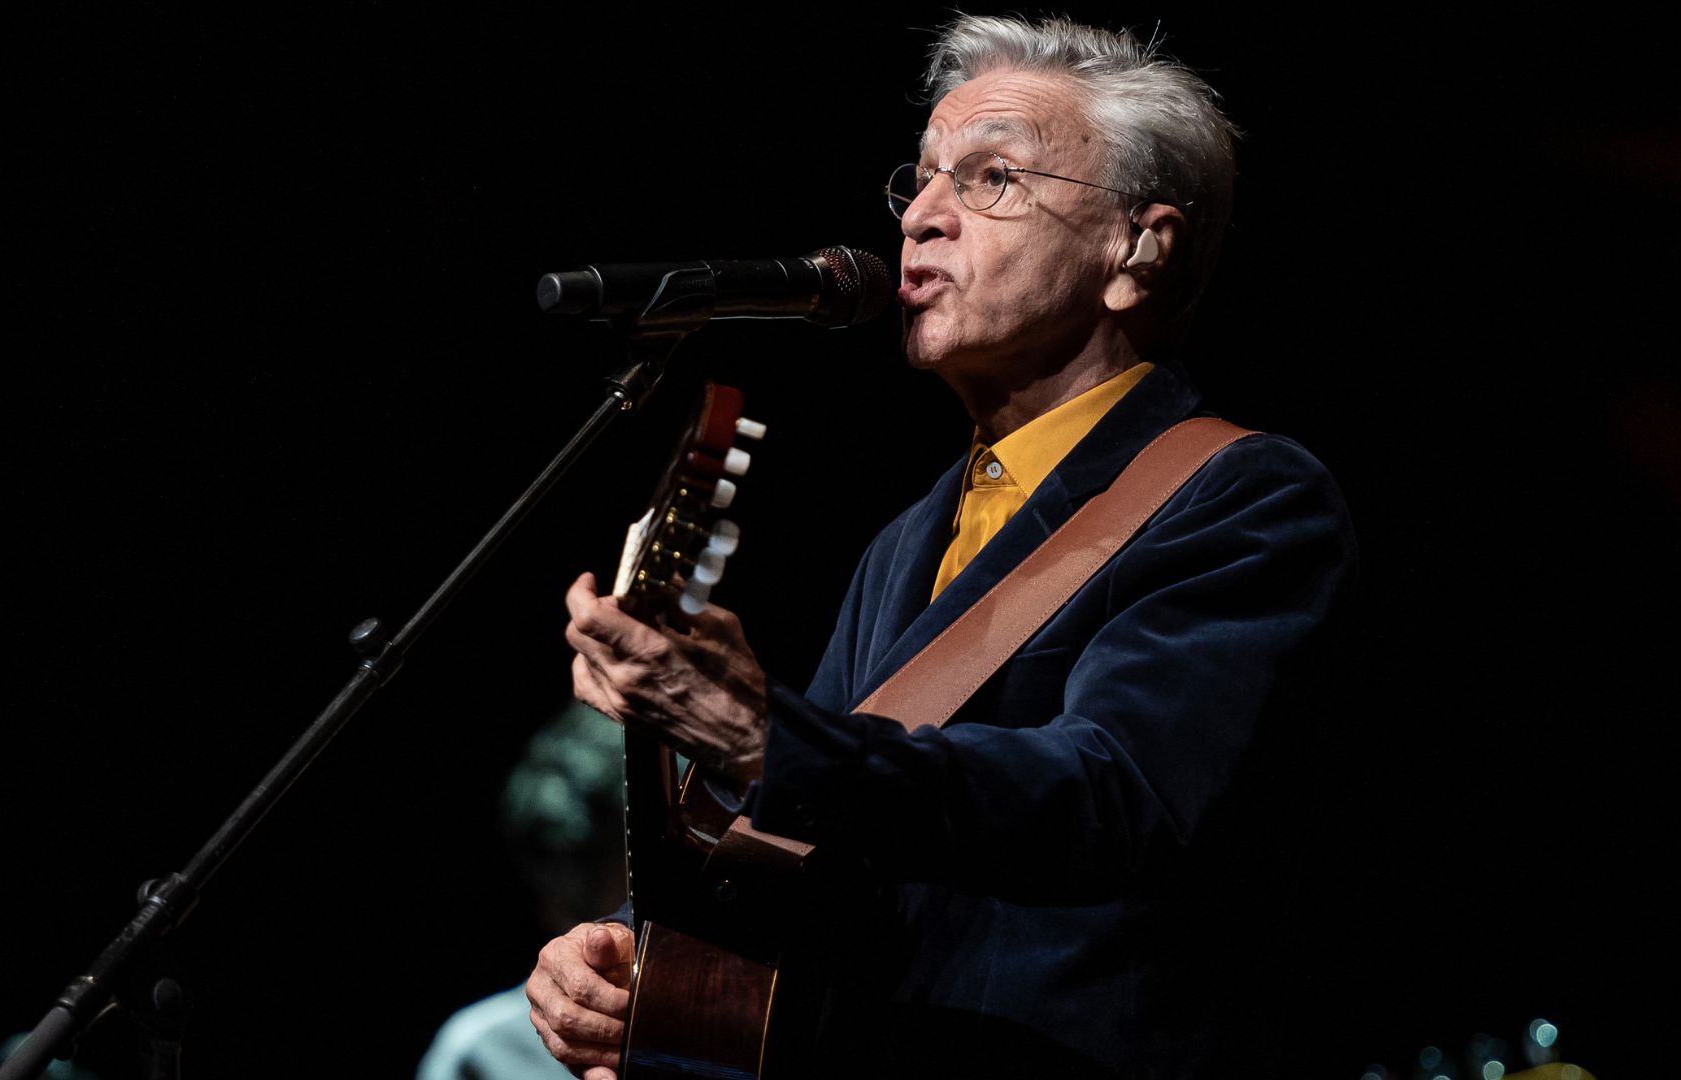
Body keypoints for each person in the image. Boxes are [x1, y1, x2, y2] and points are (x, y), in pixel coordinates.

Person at [530, 14, 1355, 1078]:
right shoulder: (908, 539)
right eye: (918, 182)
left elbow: (1109, 796)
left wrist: (764, 736)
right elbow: (824, 858)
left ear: (1138, 249)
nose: (921, 218)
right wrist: (645, 965)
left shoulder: (1242, 497)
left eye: (990, 178)